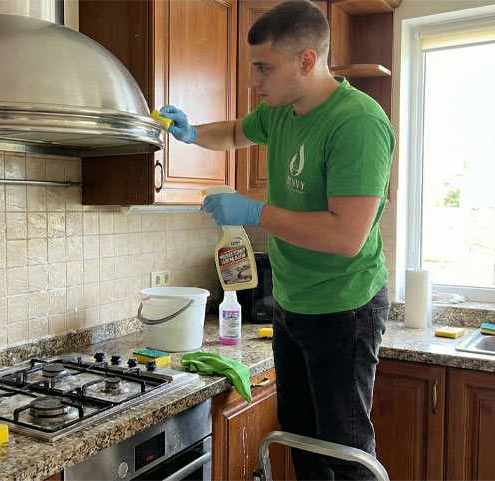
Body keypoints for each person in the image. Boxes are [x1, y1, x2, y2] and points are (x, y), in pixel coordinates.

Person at [159, 1, 394, 480]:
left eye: (264, 68)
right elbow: (233, 132)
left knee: (344, 452)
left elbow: (347, 237)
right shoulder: (280, 112)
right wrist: (191, 134)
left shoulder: (357, 123)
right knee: (303, 442)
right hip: (293, 306)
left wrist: (255, 212)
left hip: (344, 309)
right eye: (252, 67)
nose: (253, 81)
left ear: (307, 61)